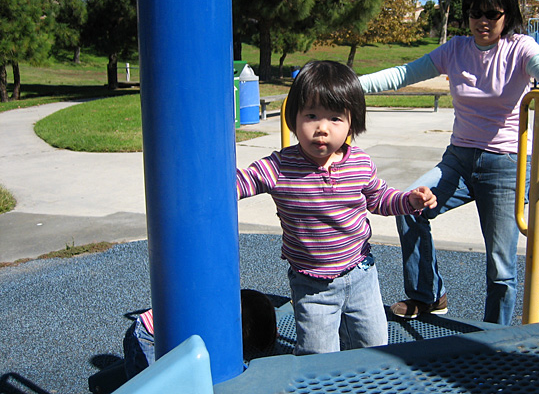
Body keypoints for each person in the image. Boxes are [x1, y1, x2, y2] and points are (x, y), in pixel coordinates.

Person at [358, 0, 539, 326]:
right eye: (475, 13)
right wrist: (349, 85)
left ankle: (492, 339)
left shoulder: (519, 48)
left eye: (492, 14)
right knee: (409, 204)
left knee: (500, 267)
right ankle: (428, 296)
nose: (483, 22)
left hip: (506, 164)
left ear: (507, 15)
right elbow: (404, 74)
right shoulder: (456, 50)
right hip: (459, 159)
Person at [236, 60, 437, 355]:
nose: (322, 128)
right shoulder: (279, 167)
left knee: (374, 347)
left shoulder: (359, 162)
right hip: (311, 285)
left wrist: (408, 201)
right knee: (318, 356)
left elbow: (379, 198)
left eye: (335, 118)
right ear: (294, 118)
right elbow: (241, 181)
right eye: (312, 115)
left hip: (360, 275)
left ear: (351, 122)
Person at [123, 289, 278, 379]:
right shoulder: (214, 325)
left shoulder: (228, 307)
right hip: (146, 336)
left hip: (164, 332)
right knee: (153, 383)